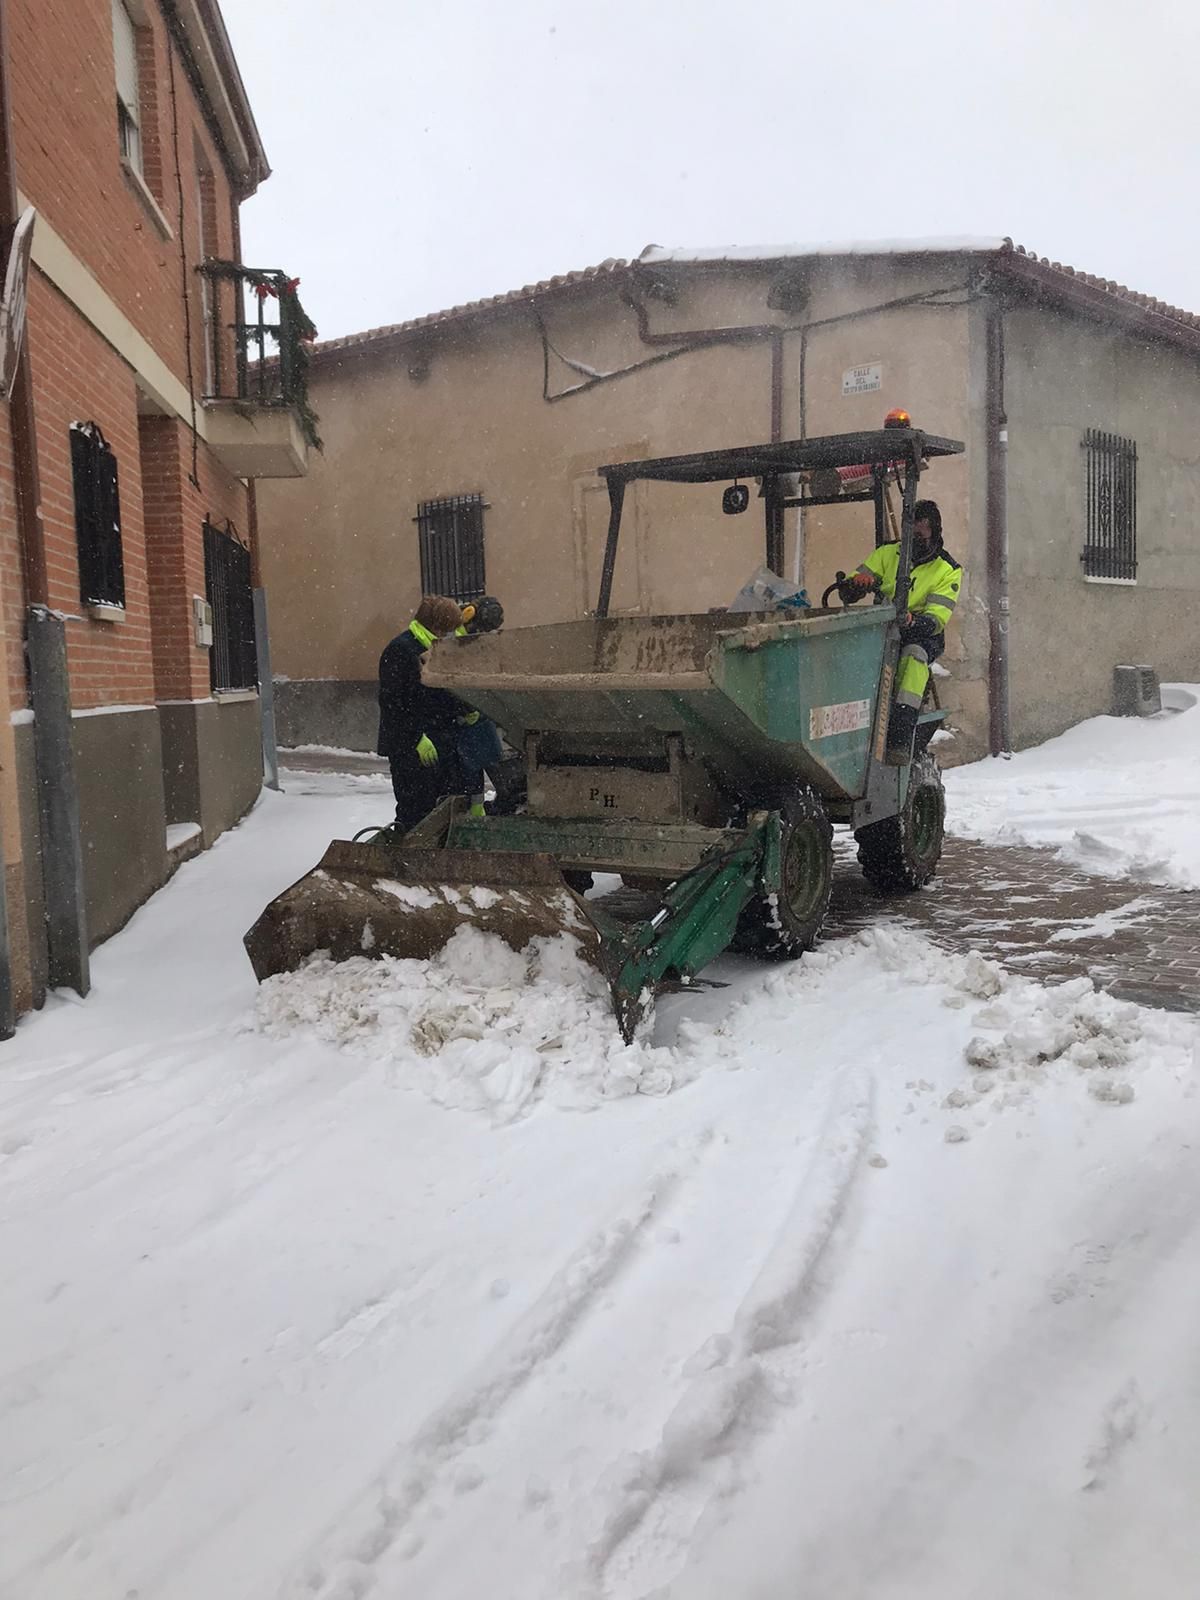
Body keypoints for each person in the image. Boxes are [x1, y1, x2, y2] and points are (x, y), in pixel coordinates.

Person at [838, 499, 962, 762]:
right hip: (882, 628)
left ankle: (900, 732)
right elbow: (849, 587)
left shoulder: (947, 569)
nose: (916, 536)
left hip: (922, 635)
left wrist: (912, 621)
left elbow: (936, 618)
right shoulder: (887, 554)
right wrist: (858, 584)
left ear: (934, 531)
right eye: (911, 529)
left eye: (922, 530)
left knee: (914, 656)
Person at [376, 595, 467, 832]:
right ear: (435, 626)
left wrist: (465, 710)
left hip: (439, 740)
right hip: (409, 747)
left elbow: (443, 693)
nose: (451, 636)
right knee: (415, 810)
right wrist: (416, 738)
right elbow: (392, 702)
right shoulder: (401, 650)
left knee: (441, 810)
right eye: (447, 630)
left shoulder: (438, 649)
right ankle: (408, 858)